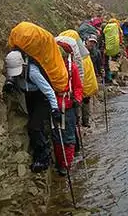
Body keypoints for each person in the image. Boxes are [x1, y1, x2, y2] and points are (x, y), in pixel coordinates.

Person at [3, 50, 62, 173]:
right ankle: (39, 153)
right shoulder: (14, 73)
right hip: (29, 97)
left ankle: (44, 157)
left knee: (35, 126)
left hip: (41, 98)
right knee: (33, 126)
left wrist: (55, 109)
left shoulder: (33, 72)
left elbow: (49, 91)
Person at [52, 45, 83, 176]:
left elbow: (77, 87)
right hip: (57, 105)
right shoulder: (53, 68)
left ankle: (65, 165)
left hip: (66, 104)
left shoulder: (71, 68)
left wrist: (77, 99)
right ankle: (63, 164)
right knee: (58, 136)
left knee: (67, 136)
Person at [82, 35, 98, 127]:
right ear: (86, 41)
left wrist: (100, 71)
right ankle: (81, 121)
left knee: (86, 100)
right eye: (91, 41)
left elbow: (97, 64)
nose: (92, 44)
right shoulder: (81, 51)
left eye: (94, 42)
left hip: (90, 77)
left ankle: (85, 122)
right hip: (83, 77)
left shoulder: (95, 53)